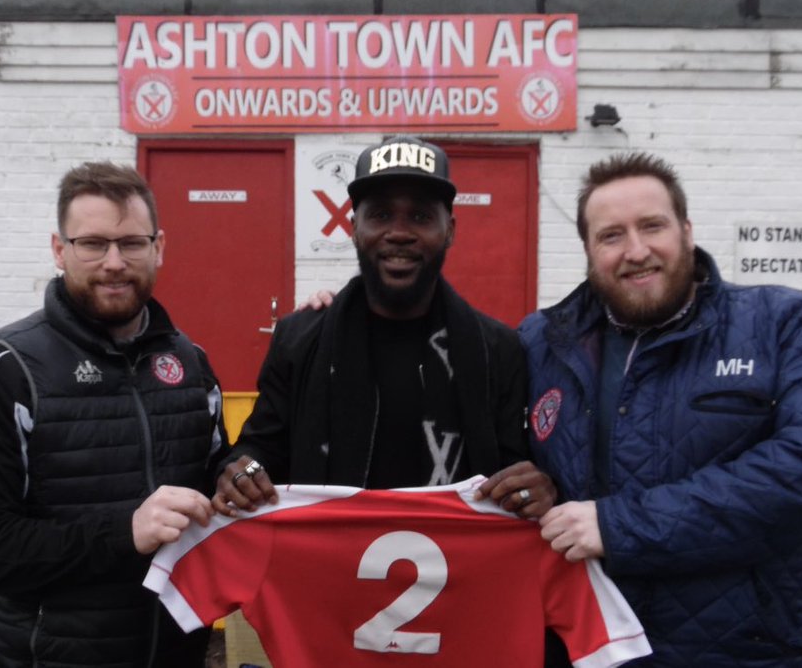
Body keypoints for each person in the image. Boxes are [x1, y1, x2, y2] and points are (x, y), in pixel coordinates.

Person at [525, 152, 802, 666]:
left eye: (652, 226)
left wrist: (620, 526)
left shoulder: (781, 323)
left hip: (748, 652)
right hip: (587, 647)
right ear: (589, 250)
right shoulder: (539, 342)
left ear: (686, 230)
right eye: (611, 235)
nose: (636, 250)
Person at [0, 161, 226, 667]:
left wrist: (236, 470)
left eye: (131, 243)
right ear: (59, 250)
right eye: (92, 244)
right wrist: (123, 532)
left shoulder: (189, 362)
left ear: (158, 247)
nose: (114, 261)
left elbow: (212, 468)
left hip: (173, 653)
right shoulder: (1, 370)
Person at [213, 134, 556, 519]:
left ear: (451, 230)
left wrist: (534, 487)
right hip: (327, 567)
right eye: (380, 215)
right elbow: (262, 449)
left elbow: (512, 467)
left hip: (454, 571)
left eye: (422, 216)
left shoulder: (498, 349)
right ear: (354, 227)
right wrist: (243, 471)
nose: (399, 232)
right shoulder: (299, 339)